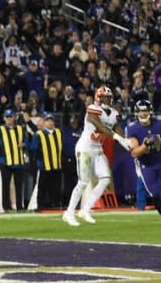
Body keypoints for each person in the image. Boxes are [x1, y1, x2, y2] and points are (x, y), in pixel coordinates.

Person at [62, 86, 132, 226]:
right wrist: (118, 139)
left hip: (98, 150)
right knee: (83, 182)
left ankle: (85, 209)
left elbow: (117, 128)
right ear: (98, 98)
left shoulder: (112, 113)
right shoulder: (93, 109)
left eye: (109, 97)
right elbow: (100, 127)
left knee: (105, 178)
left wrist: (127, 143)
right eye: (105, 97)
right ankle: (69, 213)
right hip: (86, 148)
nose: (108, 100)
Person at [126, 100, 161, 214]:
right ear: (136, 113)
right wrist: (146, 144)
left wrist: (158, 141)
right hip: (147, 165)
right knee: (155, 193)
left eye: (145, 111)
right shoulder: (132, 128)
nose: (143, 114)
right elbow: (134, 153)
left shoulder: (158, 124)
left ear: (150, 111)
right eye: (141, 111)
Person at [0, 109, 27, 212]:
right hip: (6, 163)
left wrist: (24, 145)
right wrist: (1, 161)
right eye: (7, 117)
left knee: (19, 186)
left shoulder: (20, 129)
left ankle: (20, 206)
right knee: (5, 186)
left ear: (14, 118)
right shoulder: (0, 131)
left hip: (19, 162)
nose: (9, 119)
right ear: (4, 119)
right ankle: (6, 206)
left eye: (10, 117)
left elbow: (26, 143)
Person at [29, 113, 64, 210]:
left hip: (57, 165)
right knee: (42, 187)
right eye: (48, 120)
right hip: (44, 165)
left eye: (52, 120)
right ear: (44, 122)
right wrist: (39, 159)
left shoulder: (58, 132)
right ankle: (40, 206)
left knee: (56, 187)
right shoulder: (39, 134)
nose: (50, 122)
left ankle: (56, 204)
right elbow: (34, 149)